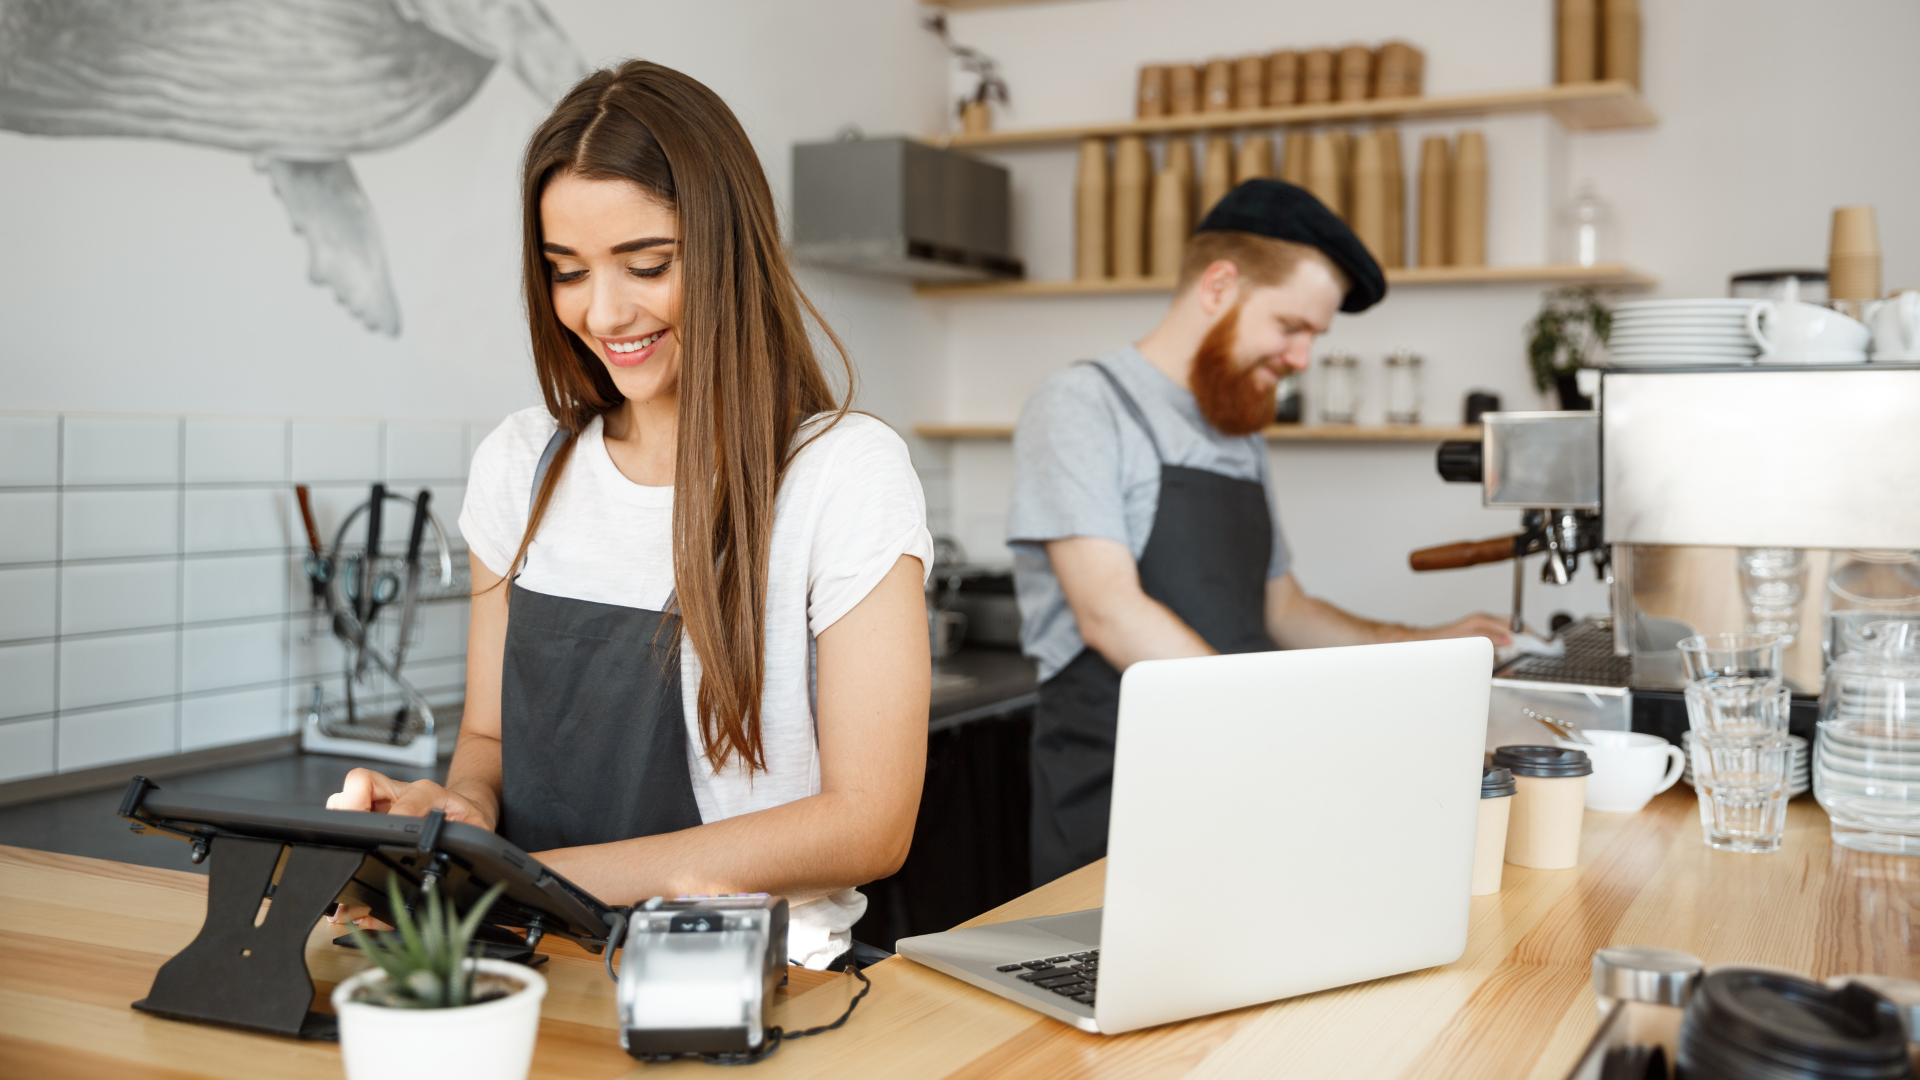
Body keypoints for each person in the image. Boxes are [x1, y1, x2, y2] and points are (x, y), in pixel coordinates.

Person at [326, 60, 933, 968]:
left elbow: (869, 823)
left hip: (742, 979)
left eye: (646, 264)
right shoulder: (520, 466)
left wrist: (514, 872)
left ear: (728, 247)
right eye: (566, 271)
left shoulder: (839, 473)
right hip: (525, 961)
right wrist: (460, 818)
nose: (603, 312)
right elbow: (488, 741)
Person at [1008, 180, 1510, 887]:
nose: (1302, 357)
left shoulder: (1235, 430)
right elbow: (1110, 613)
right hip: (1120, 795)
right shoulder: (1082, 405)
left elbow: (1284, 608)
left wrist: (1423, 645)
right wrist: (1279, 736)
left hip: (1236, 781)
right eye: (1292, 327)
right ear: (1219, 285)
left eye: (1315, 336)